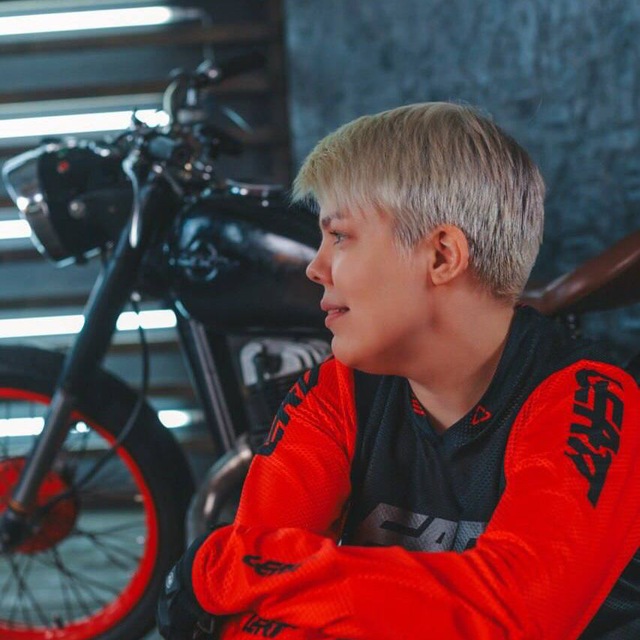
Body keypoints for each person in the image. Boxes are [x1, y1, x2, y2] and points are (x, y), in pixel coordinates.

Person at [157, 103, 640, 639]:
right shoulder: (336, 393)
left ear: (441, 256)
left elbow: (509, 617)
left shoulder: (586, 398)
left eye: (340, 236)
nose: (315, 267)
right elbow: (243, 614)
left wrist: (221, 569)